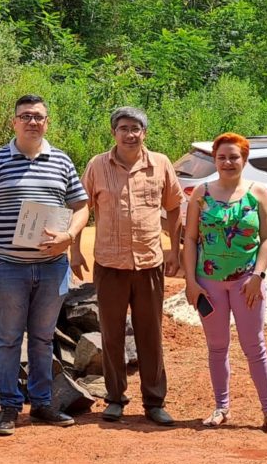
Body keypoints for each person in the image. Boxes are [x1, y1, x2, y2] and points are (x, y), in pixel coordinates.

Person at [0, 94, 90, 436]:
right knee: (8, 338)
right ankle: (9, 406)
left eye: (38, 116)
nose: (32, 122)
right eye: (26, 116)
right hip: (8, 267)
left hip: (53, 267)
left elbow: (82, 206)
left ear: (47, 122)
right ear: (14, 123)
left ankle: (41, 404)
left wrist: (69, 235)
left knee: (42, 337)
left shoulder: (62, 162)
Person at [71, 106, 184, 426]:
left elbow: (175, 207)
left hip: (150, 262)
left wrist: (173, 249)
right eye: (123, 128)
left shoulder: (160, 164)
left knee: (151, 334)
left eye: (136, 128)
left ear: (144, 132)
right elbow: (81, 207)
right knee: (112, 334)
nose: (130, 134)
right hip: (109, 264)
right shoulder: (96, 165)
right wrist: (74, 251)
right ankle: (116, 397)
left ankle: (154, 401)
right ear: (113, 132)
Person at [182, 132, 267, 435]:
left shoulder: (258, 193)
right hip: (209, 283)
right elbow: (189, 239)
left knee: (254, 346)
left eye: (234, 157)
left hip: (247, 283)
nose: (228, 162)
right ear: (214, 160)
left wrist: (258, 276)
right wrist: (191, 281)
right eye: (222, 157)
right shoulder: (201, 193)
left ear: (244, 159)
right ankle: (221, 407)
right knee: (217, 347)